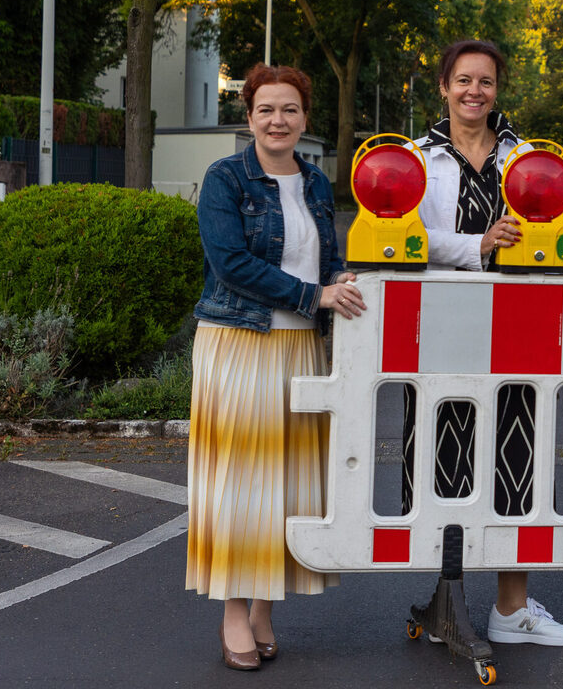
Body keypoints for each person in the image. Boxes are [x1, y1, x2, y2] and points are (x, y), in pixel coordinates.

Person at [186, 63, 367, 670]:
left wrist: (338, 279)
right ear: (249, 117)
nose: (277, 120)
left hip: (300, 348)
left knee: (286, 484)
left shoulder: (316, 183)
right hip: (239, 344)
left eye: (289, 109)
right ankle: (234, 611)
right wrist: (313, 295)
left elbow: (328, 256)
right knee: (239, 484)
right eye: (266, 109)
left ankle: (264, 606)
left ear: (305, 118)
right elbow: (231, 263)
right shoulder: (225, 178)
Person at [402, 39, 563, 646]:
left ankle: (511, 608)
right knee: (441, 457)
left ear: (497, 90)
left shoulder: (528, 156)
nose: (475, 92)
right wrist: (474, 244)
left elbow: (553, 231)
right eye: (464, 81)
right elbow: (401, 237)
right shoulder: (415, 159)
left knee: (516, 454)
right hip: (444, 325)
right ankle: (445, 597)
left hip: (518, 326)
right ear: (444, 87)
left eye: (486, 82)